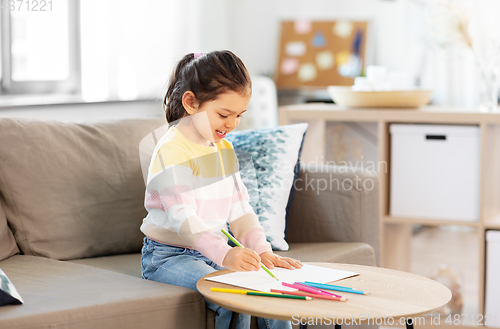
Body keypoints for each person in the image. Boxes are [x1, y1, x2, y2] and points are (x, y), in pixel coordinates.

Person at [140, 50, 302, 329]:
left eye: (239, 114)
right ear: (190, 102)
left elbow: (240, 209)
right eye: (224, 114)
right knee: (234, 294)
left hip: (211, 252)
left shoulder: (223, 147)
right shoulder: (171, 152)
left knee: (272, 291)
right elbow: (185, 220)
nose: (232, 124)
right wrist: (225, 255)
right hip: (168, 256)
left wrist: (262, 251)